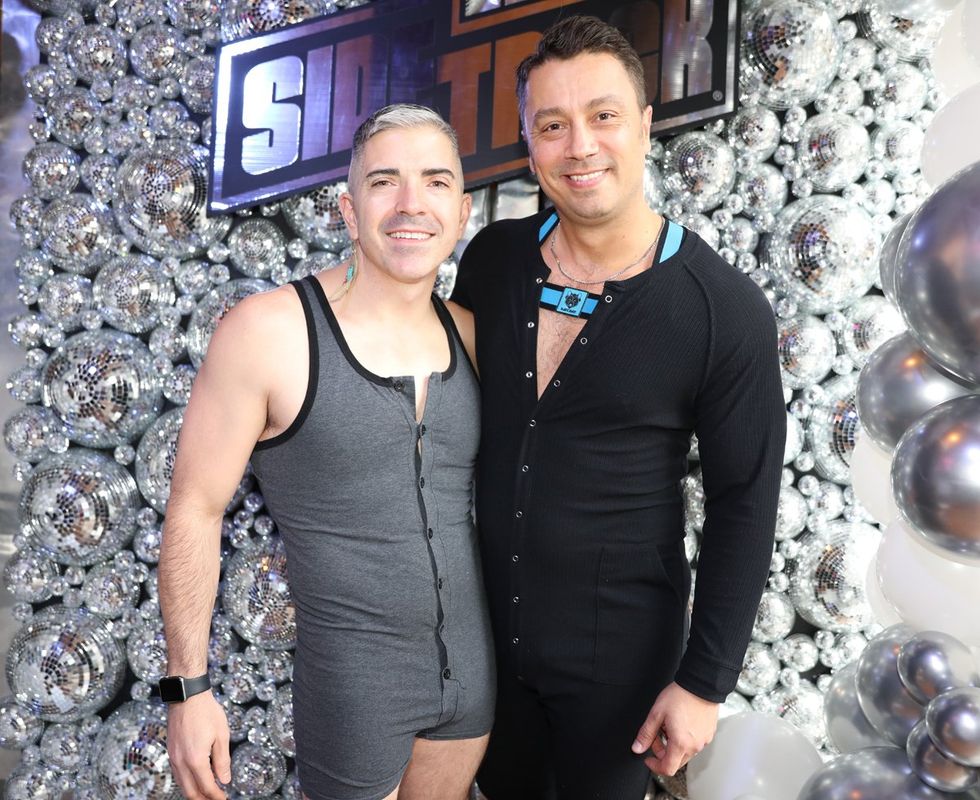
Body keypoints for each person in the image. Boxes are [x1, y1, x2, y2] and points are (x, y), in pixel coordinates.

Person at [452, 16, 786, 799]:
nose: (580, 146)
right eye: (552, 125)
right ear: (528, 143)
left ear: (643, 124)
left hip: (621, 670)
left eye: (603, 116)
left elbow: (745, 502)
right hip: (486, 653)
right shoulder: (492, 262)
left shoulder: (722, 308)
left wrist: (703, 683)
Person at [159, 104, 494, 800]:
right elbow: (195, 506)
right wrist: (188, 689)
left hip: (473, 682)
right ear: (348, 210)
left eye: (435, 182)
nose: (411, 204)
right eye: (384, 182)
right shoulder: (268, 332)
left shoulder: (473, 334)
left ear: (462, 213)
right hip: (355, 691)